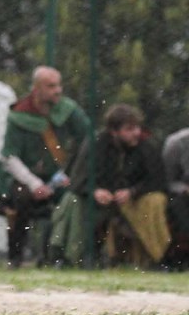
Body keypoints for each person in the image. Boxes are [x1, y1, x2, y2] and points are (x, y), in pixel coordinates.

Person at [0, 66, 91, 267]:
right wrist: (34, 183)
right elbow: (10, 157)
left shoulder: (69, 110)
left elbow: (88, 141)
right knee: (21, 198)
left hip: (59, 177)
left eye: (59, 85)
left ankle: (58, 256)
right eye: (51, 86)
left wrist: (70, 173)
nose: (58, 90)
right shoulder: (19, 114)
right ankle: (15, 257)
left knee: (73, 198)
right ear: (36, 90)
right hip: (22, 178)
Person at [50, 104, 169, 268]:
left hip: (134, 202)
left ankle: (156, 258)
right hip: (97, 203)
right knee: (72, 201)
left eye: (137, 127)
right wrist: (94, 191)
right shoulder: (95, 144)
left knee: (156, 200)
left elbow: (157, 180)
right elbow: (78, 179)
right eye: (129, 129)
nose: (136, 133)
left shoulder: (145, 145)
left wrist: (132, 191)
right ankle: (71, 257)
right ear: (114, 131)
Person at [163, 126, 189, 269]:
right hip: (180, 196)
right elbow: (166, 181)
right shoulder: (177, 143)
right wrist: (185, 189)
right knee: (179, 205)